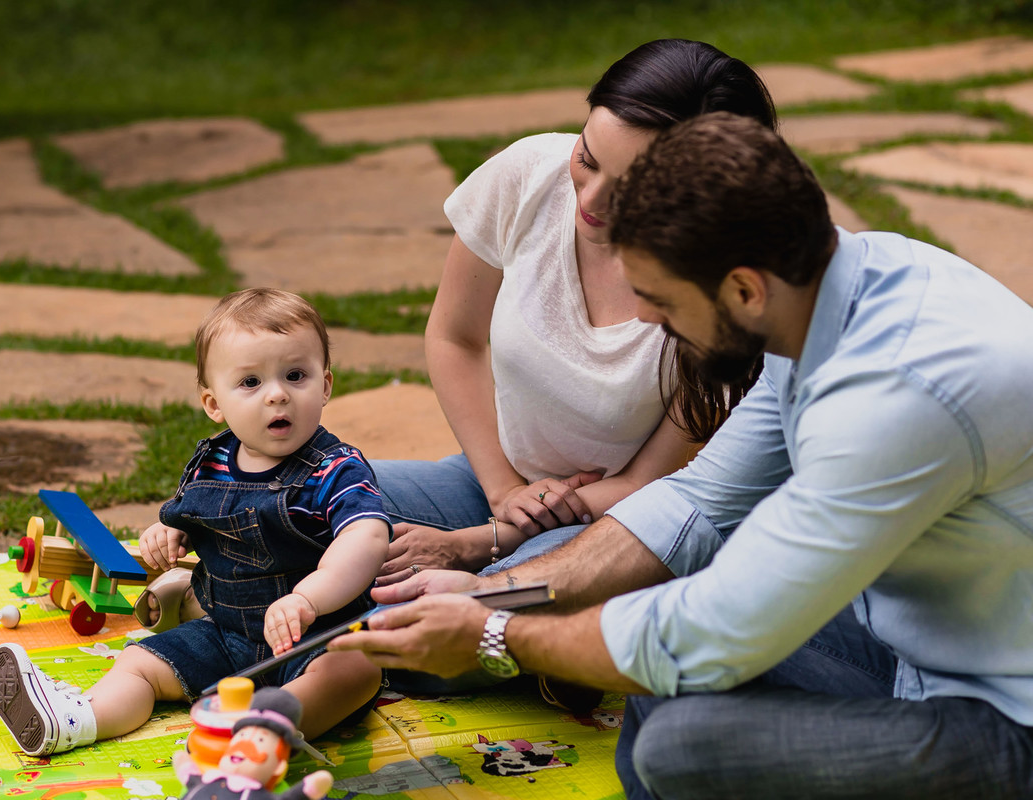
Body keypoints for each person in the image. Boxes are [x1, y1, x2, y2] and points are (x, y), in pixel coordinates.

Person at [330, 113, 1033, 798]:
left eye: (660, 297)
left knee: (679, 743)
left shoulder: (896, 398)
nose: (644, 317)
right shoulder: (822, 293)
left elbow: (712, 632)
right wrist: (489, 591)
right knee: (657, 683)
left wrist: (496, 635)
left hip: (1006, 717)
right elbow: (695, 503)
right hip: (909, 641)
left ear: (743, 289)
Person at [372, 39, 774, 585]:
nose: (592, 201)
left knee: (451, 603)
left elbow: (648, 487)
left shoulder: (726, 293)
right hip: (493, 479)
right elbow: (454, 337)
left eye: (633, 188)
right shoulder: (527, 175)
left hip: (617, 522)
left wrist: (480, 543)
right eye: (587, 158)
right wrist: (504, 490)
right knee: (287, 504)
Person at [0, 288, 391, 757]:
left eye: (295, 375)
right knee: (139, 663)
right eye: (251, 383)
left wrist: (308, 598)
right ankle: (79, 719)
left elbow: (367, 535)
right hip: (225, 634)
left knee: (356, 671)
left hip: (318, 638)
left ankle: (260, 737)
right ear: (214, 403)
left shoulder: (334, 469)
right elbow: (189, 514)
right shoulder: (212, 462)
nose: (277, 393)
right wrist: (168, 533)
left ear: (325, 386)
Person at [174, 687, 334, 800]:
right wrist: (186, 768)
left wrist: (307, 789)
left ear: (279, 766)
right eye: (242, 735)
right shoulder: (209, 778)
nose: (244, 745)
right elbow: (191, 778)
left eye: (260, 739)